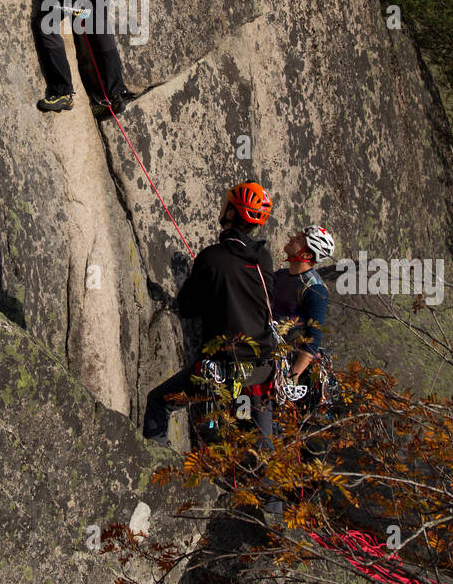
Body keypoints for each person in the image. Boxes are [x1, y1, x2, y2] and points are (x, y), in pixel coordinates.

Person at [143, 183, 277, 473]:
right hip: (260, 368)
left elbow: (188, 306)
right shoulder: (264, 259)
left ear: (232, 212)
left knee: (158, 402)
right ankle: (270, 503)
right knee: (257, 441)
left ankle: (155, 470)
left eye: (225, 203)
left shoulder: (212, 258)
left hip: (223, 367)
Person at [273, 225, 335, 393]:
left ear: (307, 255)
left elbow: (313, 339)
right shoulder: (280, 276)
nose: (292, 238)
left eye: (299, 239)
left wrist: (291, 378)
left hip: (285, 363)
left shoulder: (314, 290)